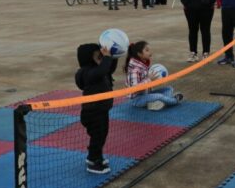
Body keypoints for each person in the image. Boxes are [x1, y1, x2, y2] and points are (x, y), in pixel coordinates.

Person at [76, 43, 117, 174]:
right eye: (98, 55)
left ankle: (95, 156)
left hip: (102, 111)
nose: (101, 57)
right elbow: (103, 70)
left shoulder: (99, 69)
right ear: (88, 58)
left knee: (102, 135)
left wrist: (113, 56)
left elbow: (109, 68)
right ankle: (93, 161)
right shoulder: (87, 73)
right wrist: (106, 59)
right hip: (92, 113)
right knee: (97, 137)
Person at [124, 41, 183, 111]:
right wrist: (149, 80)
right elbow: (135, 89)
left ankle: (156, 102)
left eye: (149, 50)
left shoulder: (144, 65)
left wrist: (158, 80)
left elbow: (148, 84)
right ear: (139, 54)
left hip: (147, 94)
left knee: (168, 89)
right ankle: (174, 101)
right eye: (147, 50)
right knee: (159, 96)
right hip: (137, 99)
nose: (150, 52)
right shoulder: (135, 70)